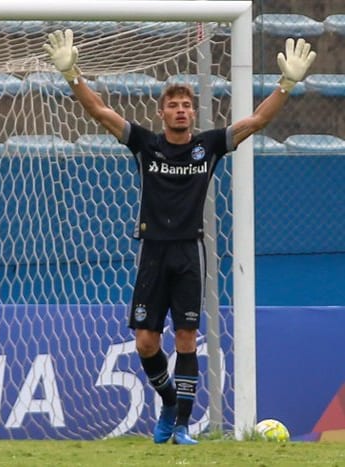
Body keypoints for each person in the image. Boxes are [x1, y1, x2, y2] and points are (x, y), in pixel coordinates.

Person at [43, 29, 316, 445]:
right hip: (152, 252)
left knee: (187, 339)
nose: (181, 110)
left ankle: (183, 426)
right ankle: (169, 403)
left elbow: (257, 121)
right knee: (146, 343)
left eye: (187, 105)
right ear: (163, 112)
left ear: (194, 113)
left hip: (190, 252)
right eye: (173, 105)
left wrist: (286, 84)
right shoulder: (145, 145)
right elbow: (101, 113)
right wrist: (73, 75)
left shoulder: (208, 146)